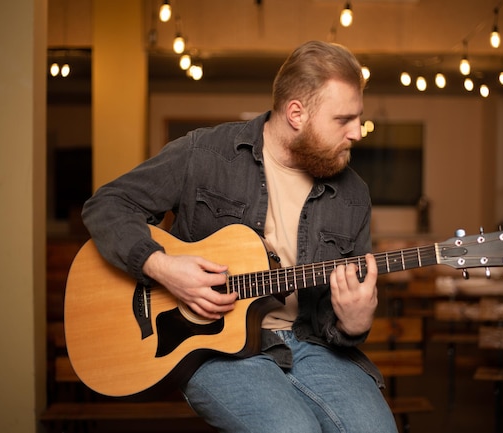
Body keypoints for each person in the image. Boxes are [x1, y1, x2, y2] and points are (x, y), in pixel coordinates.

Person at [82, 40, 398, 433]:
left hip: (311, 343)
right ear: (296, 113)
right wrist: (162, 267)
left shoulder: (353, 195)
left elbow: (340, 318)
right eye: (343, 120)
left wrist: (354, 322)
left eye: (359, 117)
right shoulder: (205, 154)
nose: (357, 132)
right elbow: (107, 205)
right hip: (211, 347)